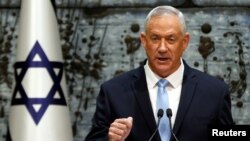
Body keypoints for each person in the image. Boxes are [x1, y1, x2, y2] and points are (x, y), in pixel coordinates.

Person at [85, 5, 233, 141]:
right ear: (144, 41)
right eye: (155, 38)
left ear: (185, 42)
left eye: (171, 39)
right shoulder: (113, 92)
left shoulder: (215, 93)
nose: (162, 48)